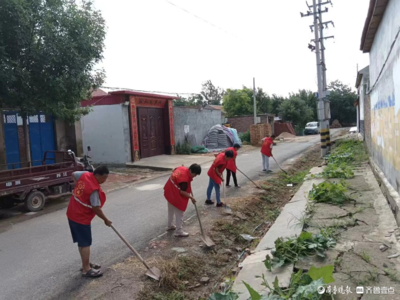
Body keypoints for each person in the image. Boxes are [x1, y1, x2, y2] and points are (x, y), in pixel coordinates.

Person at [66, 165, 111, 278]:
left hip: (72, 212)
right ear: (97, 175)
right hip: (81, 217)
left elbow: (73, 174)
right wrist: (106, 220)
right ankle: (86, 269)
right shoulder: (93, 190)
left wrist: (78, 186)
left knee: (82, 242)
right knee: (85, 243)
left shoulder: (85, 174)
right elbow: (96, 208)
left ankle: (85, 264)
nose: (104, 181)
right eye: (103, 178)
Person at [164, 164, 202, 237]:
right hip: (174, 194)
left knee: (171, 210)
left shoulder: (182, 168)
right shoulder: (184, 179)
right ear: (191, 171)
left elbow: (174, 169)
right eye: (195, 174)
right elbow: (182, 192)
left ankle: (170, 225)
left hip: (169, 191)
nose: (195, 176)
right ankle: (179, 231)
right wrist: (191, 198)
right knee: (179, 213)